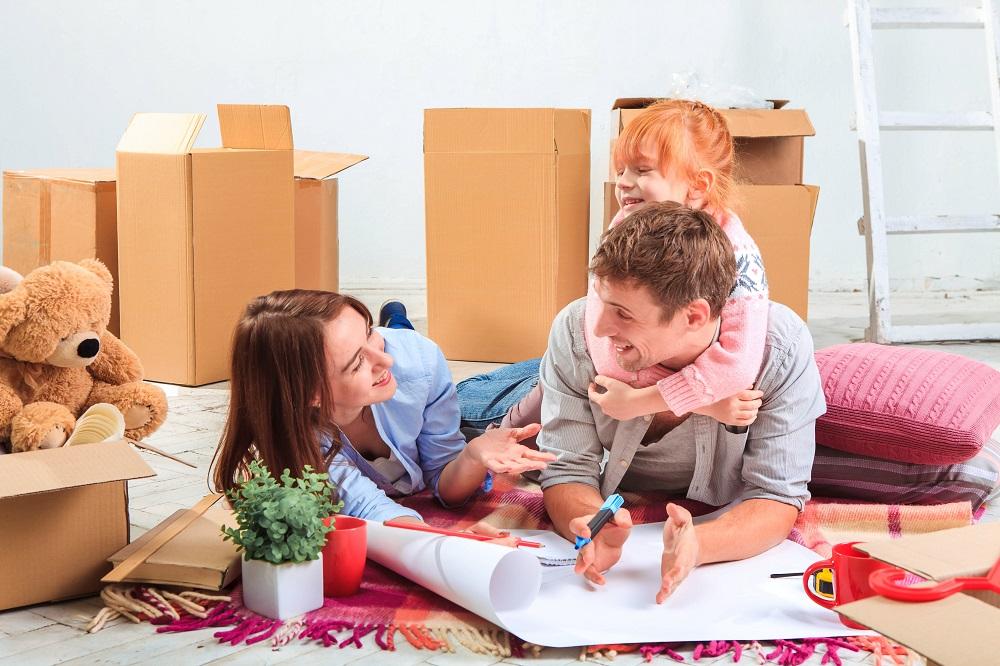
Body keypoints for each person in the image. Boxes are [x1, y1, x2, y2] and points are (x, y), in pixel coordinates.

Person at [538, 202, 825, 602]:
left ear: (694, 316)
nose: (601, 327)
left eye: (622, 313)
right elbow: (565, 466)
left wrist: (699, 545)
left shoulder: (780, 348)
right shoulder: (577, 330)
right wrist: (587, 522)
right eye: (602, 302)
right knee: (486, 416)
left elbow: (777, 494)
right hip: (523, 392)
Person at [459, 99, 768, 436]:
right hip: (592, 376)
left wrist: (648, 398)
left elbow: (737, 367)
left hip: (634, 362)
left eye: (642, 170)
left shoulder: (738, 255)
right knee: (490, 421)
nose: (622, 181)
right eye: (621, 170)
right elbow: (607, 357)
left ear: (698, 185)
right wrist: (696, 401)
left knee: (528, 385)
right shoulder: (628, 225)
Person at [211, 290, 555, 523]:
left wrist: (469, 455)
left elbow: (443, 478)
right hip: (435, 391)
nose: (385, 358)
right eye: (356, 363)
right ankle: (394, 320)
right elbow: (374, 510)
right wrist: (447, 549)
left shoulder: (416, 360)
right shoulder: (302, 441)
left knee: (551, 366)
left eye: (369, 333)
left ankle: (395, 323)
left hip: (425, 374)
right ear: (309, 395)